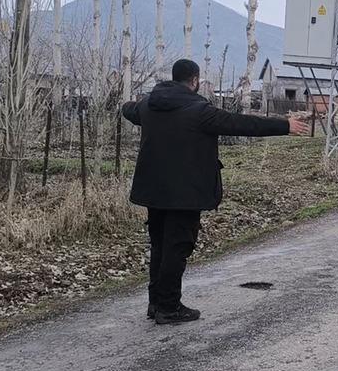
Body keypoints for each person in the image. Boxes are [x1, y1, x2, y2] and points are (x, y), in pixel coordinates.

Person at [122, 59, 309, 325]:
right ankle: (169, 307)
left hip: (153, 191)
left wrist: (127, 105)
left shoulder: (148, 106)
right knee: (177, 248)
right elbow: (242, 124)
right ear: (195, 81)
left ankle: (156, 303)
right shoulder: (199, 111)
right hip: (185, 194)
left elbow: (128, 109)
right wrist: (285, 126)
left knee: (161, 246)